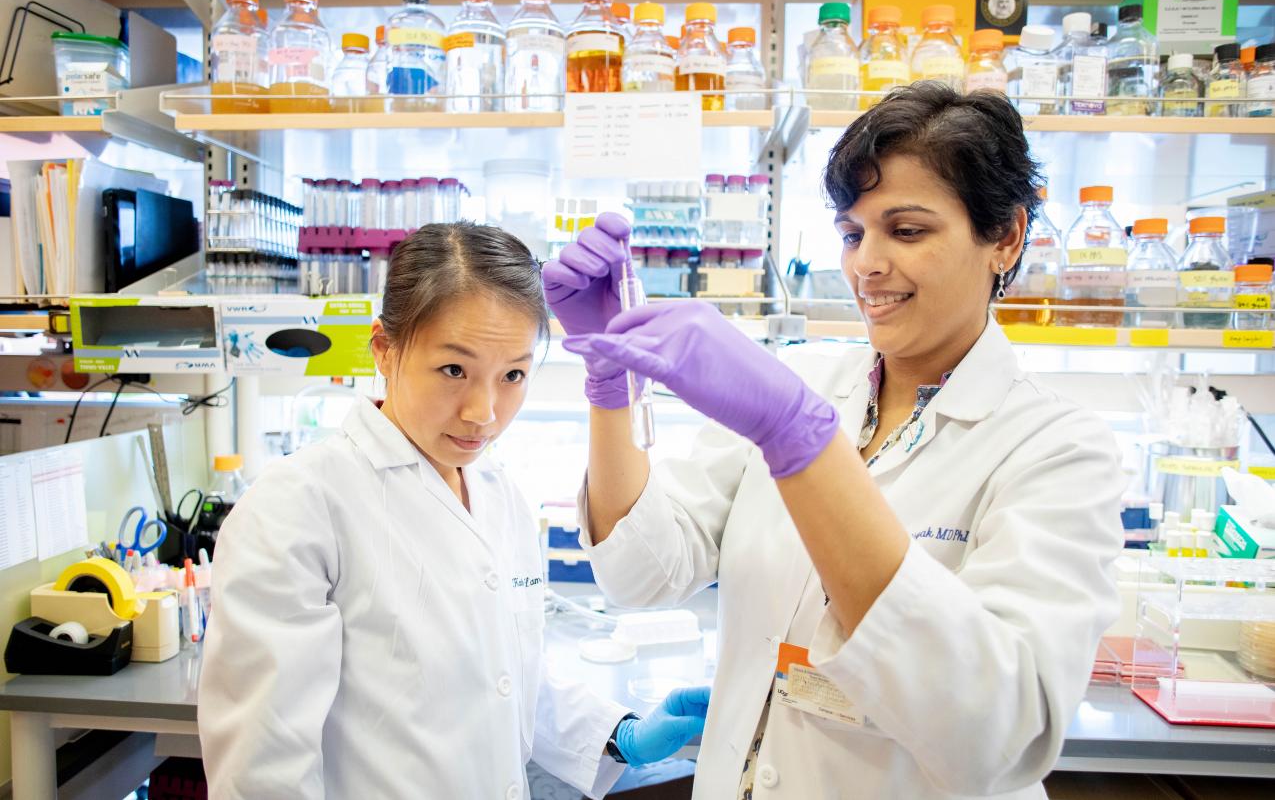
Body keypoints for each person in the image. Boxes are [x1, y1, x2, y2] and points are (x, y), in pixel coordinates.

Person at [545, 83, 1125, 799]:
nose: (865, 264)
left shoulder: (1059, 450)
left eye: (905, 230)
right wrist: (610, 386)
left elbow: (998, 736)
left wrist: (800, 440)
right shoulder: (806, 380)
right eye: (852, 233)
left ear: (1003, 236)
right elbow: (640, 575)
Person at [199, 223, 709, 799]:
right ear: (384, 351)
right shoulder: (300, 506)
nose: (483, 412)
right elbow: (262, 771)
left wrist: (621, 734)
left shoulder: (498, 493)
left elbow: (504, 680)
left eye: (513, 374)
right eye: (453, 370)